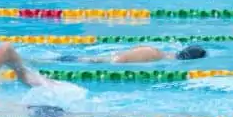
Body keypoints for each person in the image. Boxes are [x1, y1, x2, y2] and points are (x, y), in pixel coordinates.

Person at [55, 44, 207, 64]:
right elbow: (119, 60)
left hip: (105, 58)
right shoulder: (155, 55)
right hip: (106, 61)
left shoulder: (157, 52)